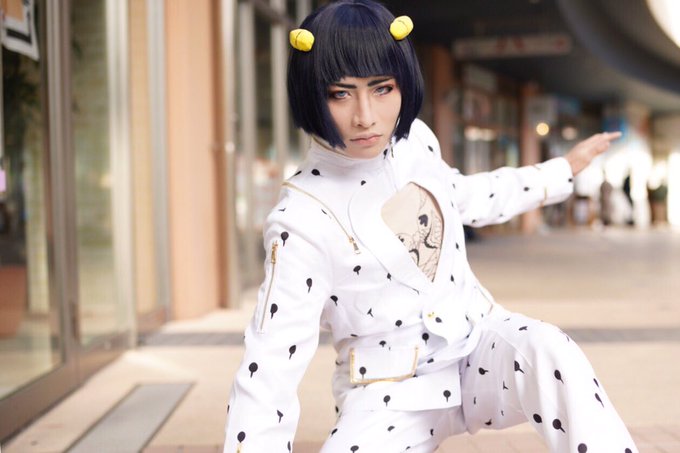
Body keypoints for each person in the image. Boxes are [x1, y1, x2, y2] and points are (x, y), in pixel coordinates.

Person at [223, 1, 636, 452]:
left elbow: (466, 195)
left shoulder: (415, 141)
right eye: (340, 94)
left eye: (382, 88)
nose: (366, 116)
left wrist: (560, 171)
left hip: (478, 346)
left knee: (549, 350)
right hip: (389, 392)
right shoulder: (301, 218)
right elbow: (270, 366)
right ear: (310, 94)